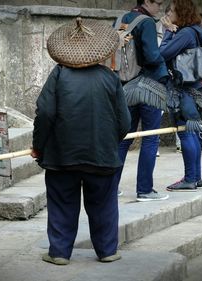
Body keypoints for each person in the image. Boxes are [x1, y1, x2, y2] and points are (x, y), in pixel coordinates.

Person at [32, 18, 131, 265]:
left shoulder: (58, 75)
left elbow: (45, 113)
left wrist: (39, 145)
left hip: (62, 156)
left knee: (62, 203)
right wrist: (109, 141)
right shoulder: (109, 78)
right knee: (104, 204)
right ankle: (108, 250)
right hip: (102, 155)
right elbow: (124, 122)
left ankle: (59, 253)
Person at [112, 0, 170, 202]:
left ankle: (111, 187)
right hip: (148, 86)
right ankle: (144, 189)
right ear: (146, 2)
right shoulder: (146, 22)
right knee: (150, 137)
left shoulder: (120, 20)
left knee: (123, 138)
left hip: (125, 86)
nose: (160, 7)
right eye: (158, 2)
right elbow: (152, 56)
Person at [160, 0, 202, 191]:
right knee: (192, 132)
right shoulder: (195, 31)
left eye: (171, 11)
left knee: (186, 132)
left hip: (183, 88)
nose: (169, 14)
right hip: (194, 86)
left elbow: (162, 53)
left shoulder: (185, 33)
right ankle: (196, 177)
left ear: (180, 12)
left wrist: (167, 31)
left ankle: (189, 179)